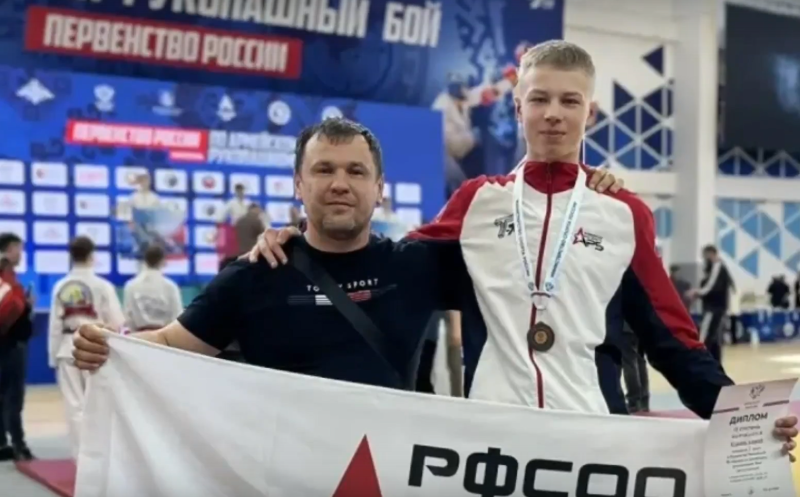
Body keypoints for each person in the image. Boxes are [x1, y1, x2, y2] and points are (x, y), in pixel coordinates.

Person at [243, 42, 798, 454]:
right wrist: (302, 242)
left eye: (569, 100)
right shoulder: (476, 201)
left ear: (589, 112)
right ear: (517, 108)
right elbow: (386, 267)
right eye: (539, 99)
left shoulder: (623, 213)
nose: (553, 112)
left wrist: (744, 419)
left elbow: (673, 339)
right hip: (490, 442)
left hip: (594, 441)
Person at [71, 118, 621, 393]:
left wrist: (587, 193)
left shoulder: (419, 264)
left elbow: (532, 265)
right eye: (324, 170)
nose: (340, 183)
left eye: (356, 171)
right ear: (298, 185)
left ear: (378, 189)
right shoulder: (254, 275)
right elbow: (171, 344)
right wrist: (108, 343)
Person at [48, 236, 125, 459]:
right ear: (92, 255)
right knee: (100, 405)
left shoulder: (61, 286)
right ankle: (101, 457)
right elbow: (117, 322)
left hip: (67, 347)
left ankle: (81, 459)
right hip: (97, 348)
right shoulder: (103, 286)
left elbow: (55, 325)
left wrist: (53, 356)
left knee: (75, 407)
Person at [0, 233, 34, 461]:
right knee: (13, 397)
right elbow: (9, 308)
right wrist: (25, 305)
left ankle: (3, 444)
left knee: (3, 395)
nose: (21, 254)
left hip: (8, 341)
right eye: (19, 249)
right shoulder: (7, 278)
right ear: (10, 249)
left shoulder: (9, 277)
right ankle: (19, 445)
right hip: (10, 343)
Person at [686, 245, 735, 363]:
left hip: (713, 308)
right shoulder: (716, 268)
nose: (704, 259)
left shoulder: (717, 266)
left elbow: (710, 287)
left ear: (711, 254)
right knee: (714, 338)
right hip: (716, 307)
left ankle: (703, 363)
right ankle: (715, 364)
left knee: (705, 337)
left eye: (705, 255)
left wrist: (696, 292)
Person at [123, 244, 183, 332]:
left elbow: (129, 317)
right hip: (164, 337)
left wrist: (135, 334)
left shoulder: (131, 286)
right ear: (163, 261)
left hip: (138, 336)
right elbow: (177, 317)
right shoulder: (170, 287)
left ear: (145, 261)